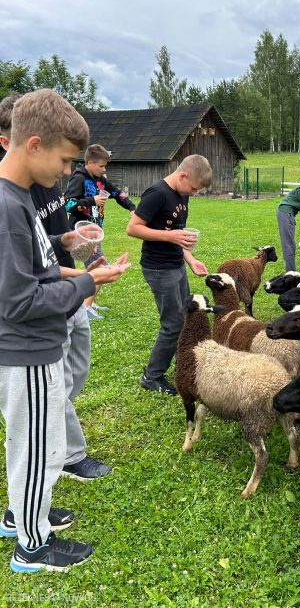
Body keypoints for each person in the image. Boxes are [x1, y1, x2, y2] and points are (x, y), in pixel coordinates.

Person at [0, 89, 130, 572]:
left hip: (34, 348)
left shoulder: (18, 198)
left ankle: (21, 514)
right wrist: (86, 284)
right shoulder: (7, 207)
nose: (66, 171)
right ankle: (32, 546)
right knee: (37, 447)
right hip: (27, 351)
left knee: (33, 442)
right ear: (34, 144)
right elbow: (19, 302)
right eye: (64, 160)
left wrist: (70, 252)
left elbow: (35, 265)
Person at [126, 155, 212, 395]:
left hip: (176, 265)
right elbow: (132, 228)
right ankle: (151, 376)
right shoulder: (157, 194)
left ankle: (182, 364)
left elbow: (177, 233)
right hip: (158, 268)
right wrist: (170, 236)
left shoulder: (182, 194)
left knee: (185, 316)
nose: (194, 193)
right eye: (193, 188)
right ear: (183, 175)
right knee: (173, 324)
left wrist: (191, 259)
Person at [64, 144, 136, 319]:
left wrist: (132, 208)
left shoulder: (100, 180)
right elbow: (68, 204)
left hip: (95, 231)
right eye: (101, 166)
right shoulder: (78, 179)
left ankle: (88, 302)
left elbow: (117, 193)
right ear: (89, 162)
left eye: (105, 166)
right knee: (99, 267)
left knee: (95, 267)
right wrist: (91, 201)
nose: (104, 170)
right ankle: (85, 308)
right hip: (81, 232)